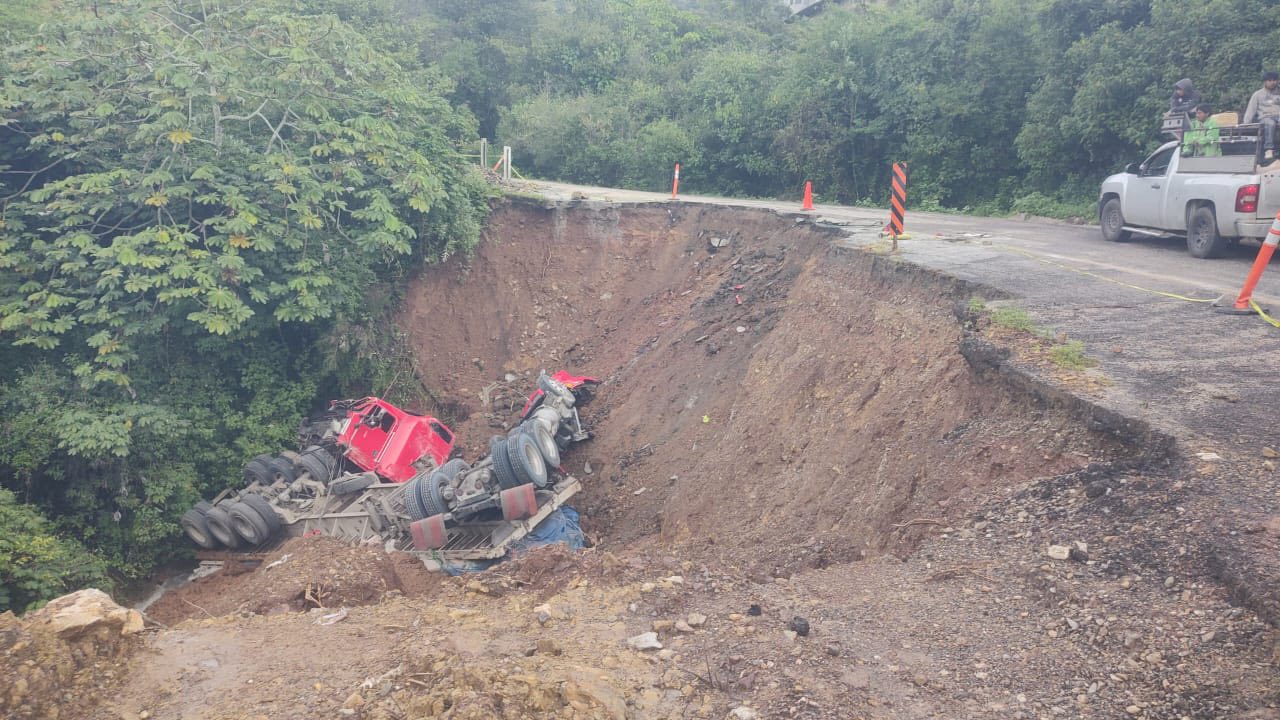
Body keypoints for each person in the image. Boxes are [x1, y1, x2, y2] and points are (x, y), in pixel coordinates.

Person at [1243, 71, 1280, 161]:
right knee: (1270, 123)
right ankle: (1269, 149)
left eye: (1274, 80)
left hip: (1278, 116)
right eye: (1269, 80)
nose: (1272, 82)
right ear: (1265, 82)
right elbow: (1251, 109)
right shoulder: (1258, 94)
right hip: (1265, 117)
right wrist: (1245, 124)